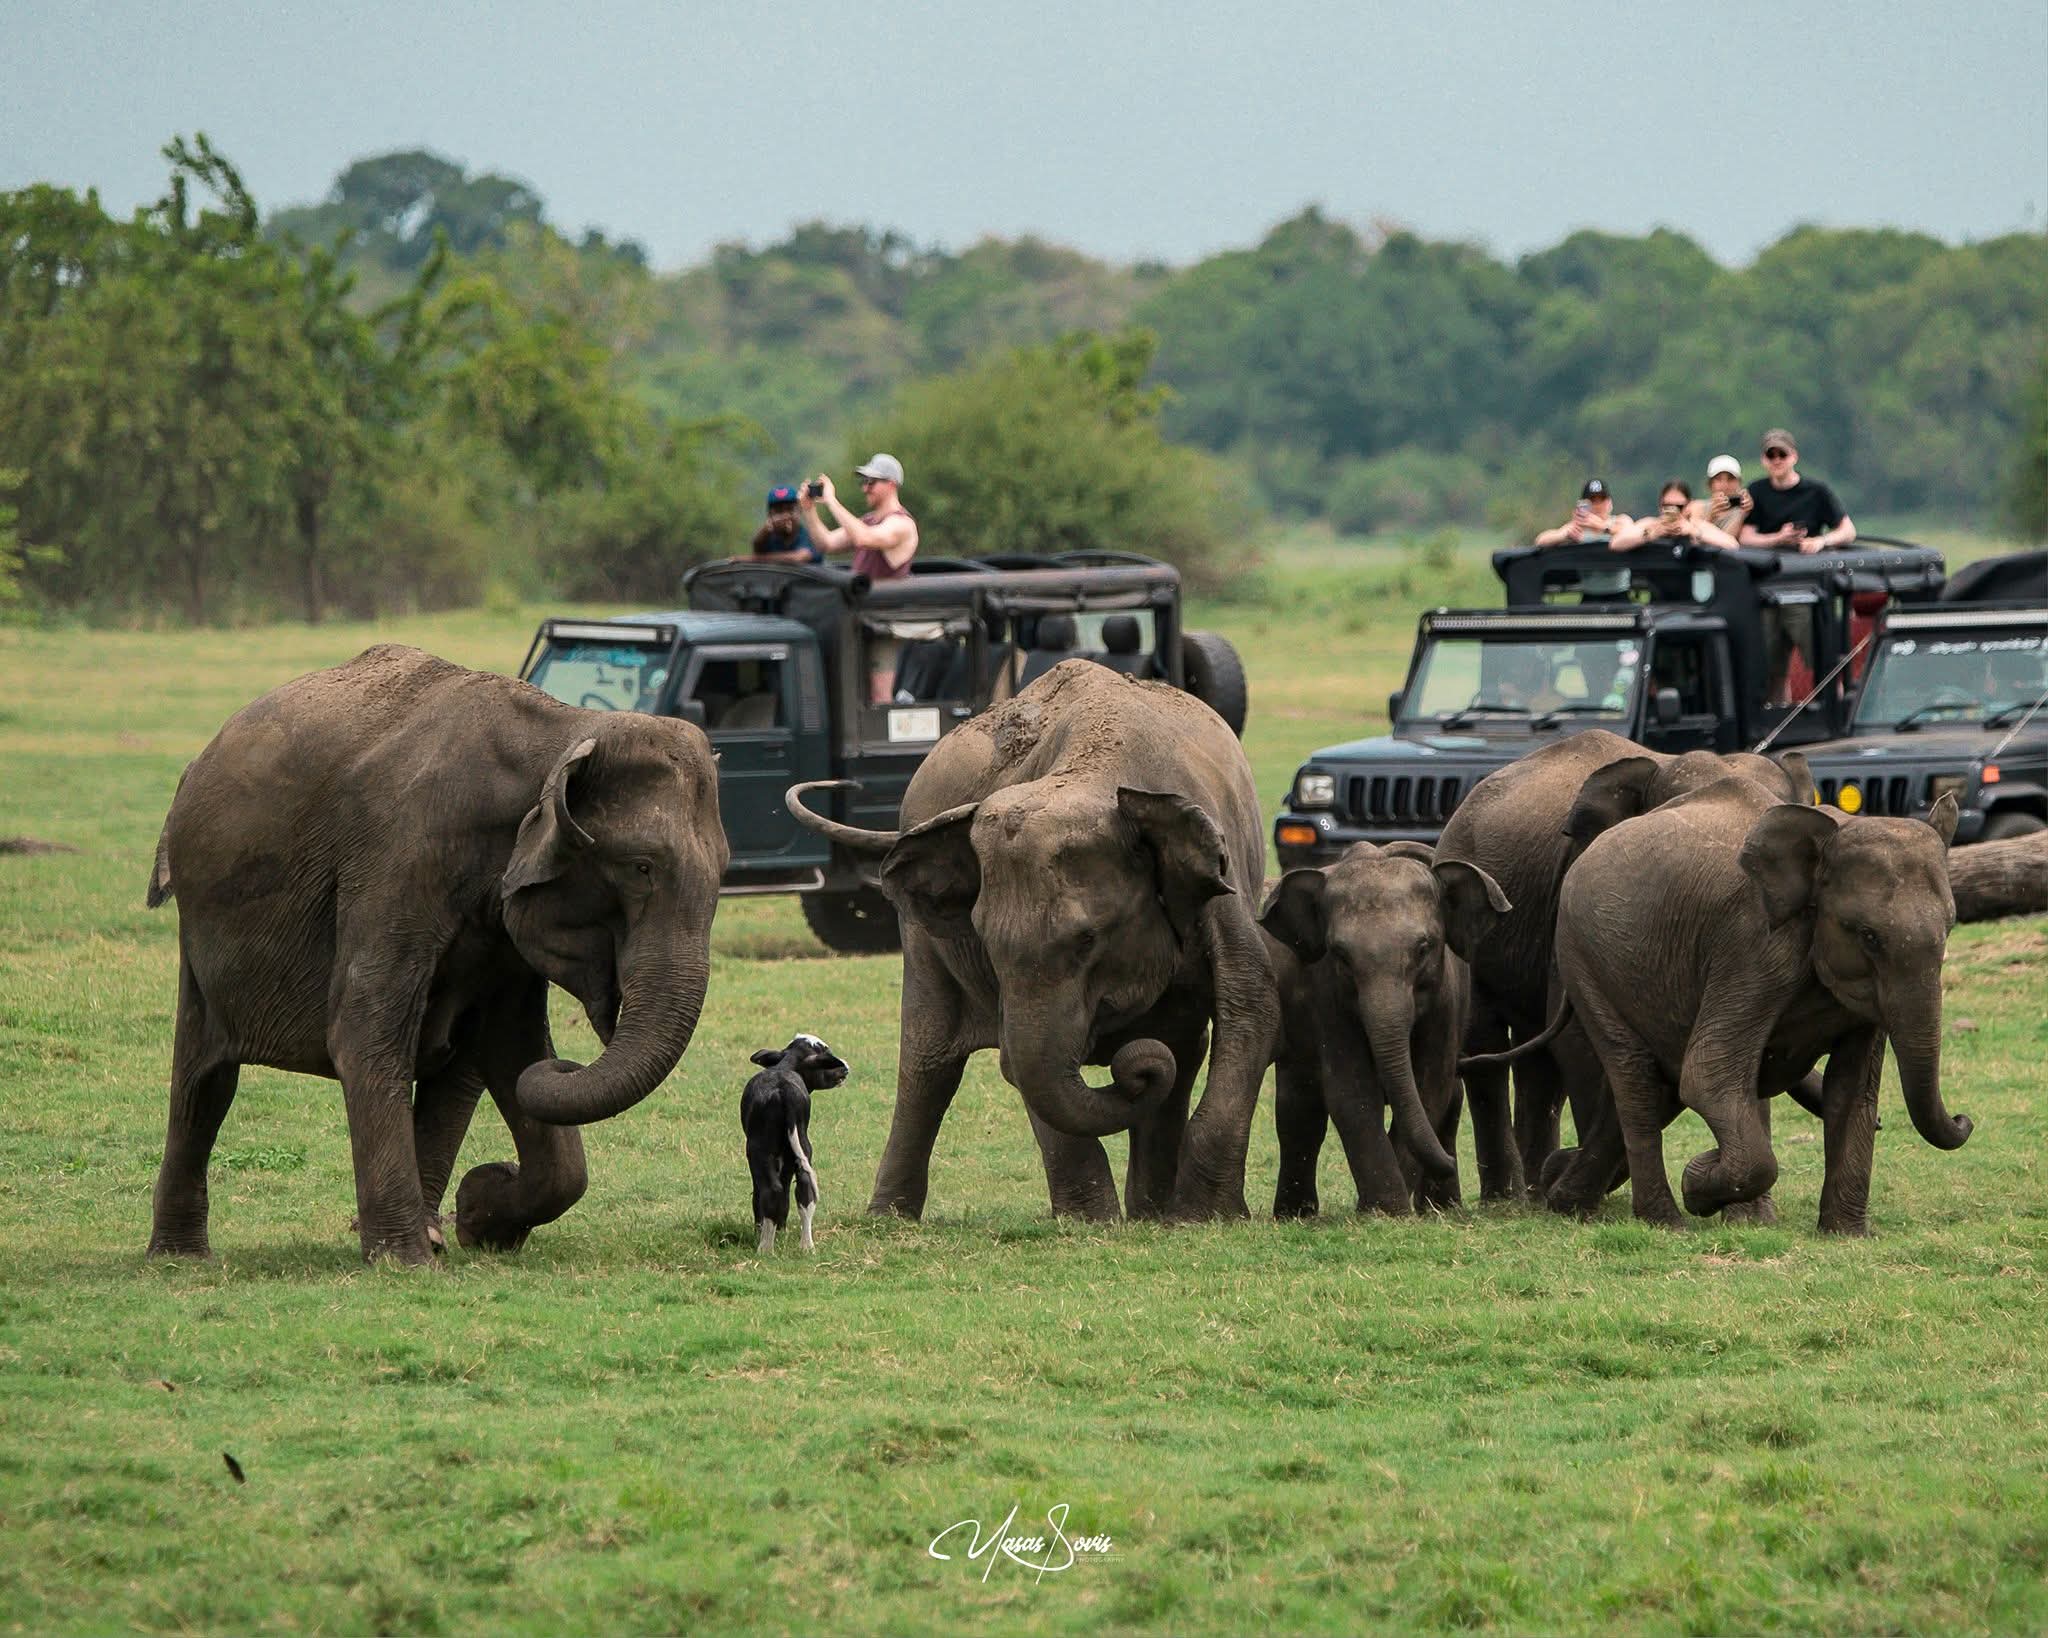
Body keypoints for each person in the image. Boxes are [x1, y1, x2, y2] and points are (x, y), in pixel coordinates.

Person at [799, 453, 920, 703]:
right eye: (863, 482)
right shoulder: (867, 521)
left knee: (879, 694)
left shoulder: (902, 524)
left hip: (884, 623)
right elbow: (826, 543)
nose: (865, 488)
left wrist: (832, 500)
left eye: (871, 482)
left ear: (891, 484)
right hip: (859, 619)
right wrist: (809, 511)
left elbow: (865, 538)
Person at [1739, 428, 1856, 553]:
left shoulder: (1817, 491)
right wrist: (1779, 538)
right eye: (1771, 455)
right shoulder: (1756, 491)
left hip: (1807, 563)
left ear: (1794, 456)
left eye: (1783, 454)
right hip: (1769, 565)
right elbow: (1745, 538)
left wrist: (1821, 541)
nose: (1777, 460)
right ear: (1763, 459)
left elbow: (1848, 531)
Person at [1611, 480, 1740, 551]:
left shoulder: (1696, 525)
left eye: (1678, 506)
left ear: (1688, 506)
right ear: (1660, 505)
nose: (1673, 510)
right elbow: (1616, 543)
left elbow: (1732, 545)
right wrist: (1650, 534)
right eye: (1667, 506)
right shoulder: (1651, 524)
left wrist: (1693, 532)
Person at [1534, 478, 1632, 547]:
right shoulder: (1579, 527)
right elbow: (1541, 541)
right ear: (1584, 504)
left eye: (1601, 499)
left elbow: (1633, 533)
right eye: (1593, 500)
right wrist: (1565, 536)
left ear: (1609, 502)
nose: (1598, 505)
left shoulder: (1620, 521)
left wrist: (1602, 527)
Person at [750, 485, 823, 564]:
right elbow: (756, 545)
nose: (785, 516)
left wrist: (753, 559)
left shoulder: (811, 535)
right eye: (779, 511)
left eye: (790, 509)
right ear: (770, 515)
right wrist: (766, 529)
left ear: (799, 511)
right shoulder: (769, 537)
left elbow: (801, 557)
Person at [1695, 454, 1753, 537]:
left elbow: (1729, 542)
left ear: (1739, 483)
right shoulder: (1698, 507)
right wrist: (1711, 518)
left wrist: (1743, 513)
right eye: (1718, 479)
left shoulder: (1745, 511)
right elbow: (1695, 539)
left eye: (1730, 479)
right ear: (1710, 484)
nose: (1725, 485)